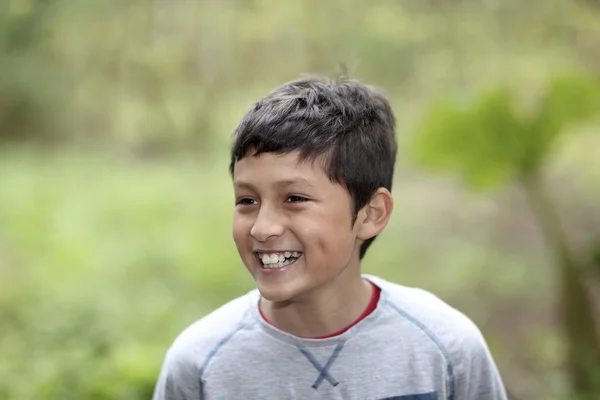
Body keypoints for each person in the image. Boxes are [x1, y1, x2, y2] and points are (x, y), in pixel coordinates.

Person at [152, 76, 508, 400]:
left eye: (294, 199)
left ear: (371, 214)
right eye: (247, 201)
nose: (262, 228)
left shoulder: (445, 349)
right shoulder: (200, 365)